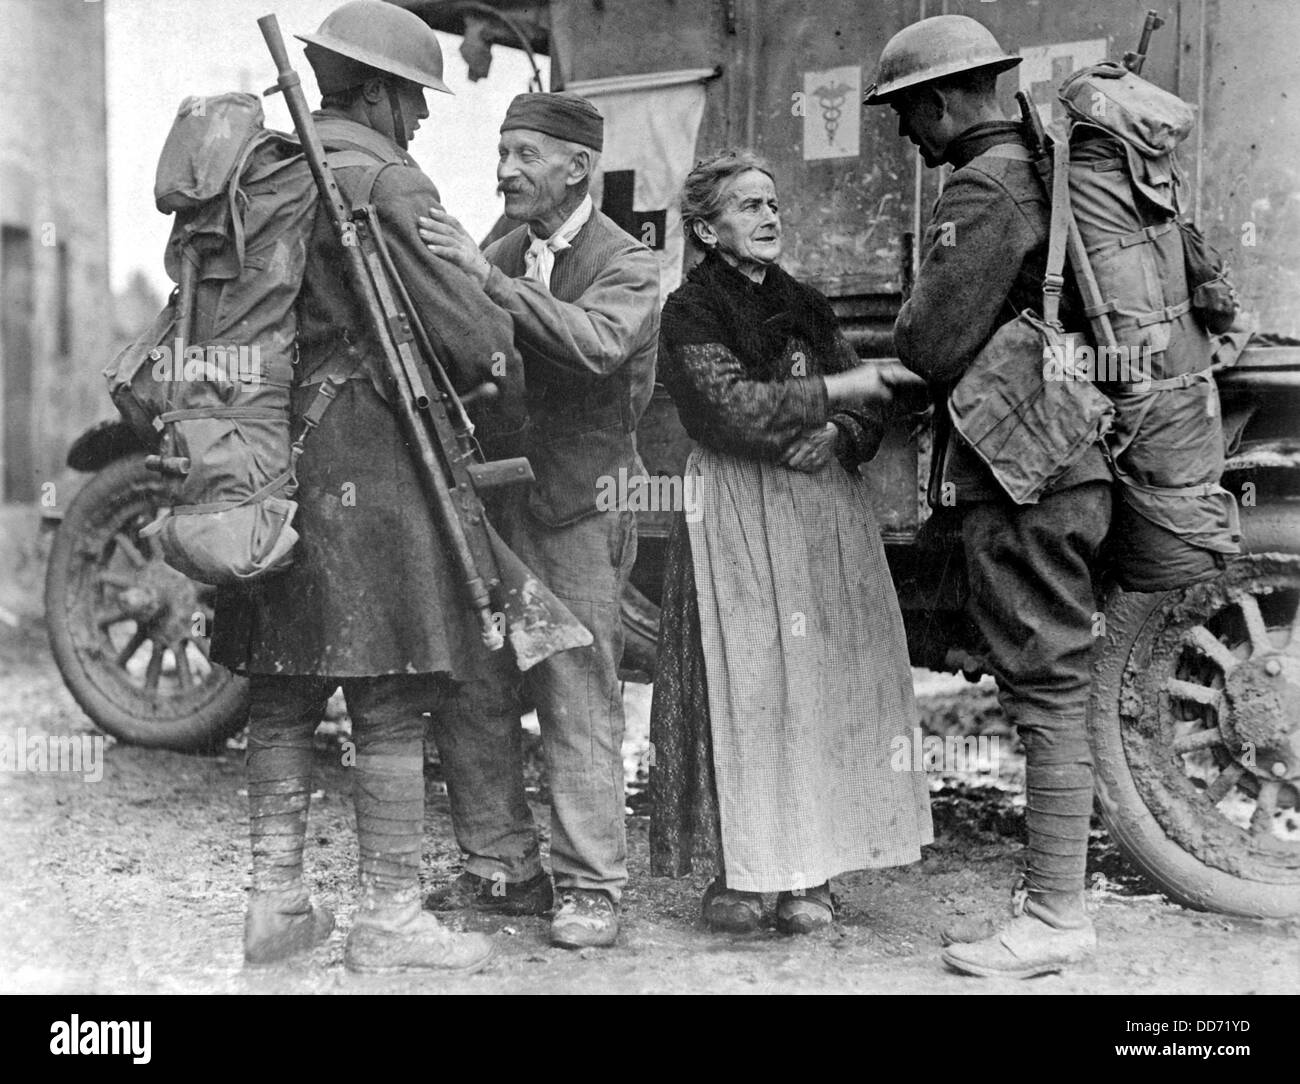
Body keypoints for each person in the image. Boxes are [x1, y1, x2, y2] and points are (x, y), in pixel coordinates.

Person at [210, 0, 524, 975]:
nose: (423, 117)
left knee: (281, 696)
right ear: (381, 91)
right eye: (415, 97)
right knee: (388, 695)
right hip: (372, 461)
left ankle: (276, 909)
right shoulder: (385, 175)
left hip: (259, 459)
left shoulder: (258, 170)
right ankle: (388, 916)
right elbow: (477, 336)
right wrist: (499, 347)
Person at [865, 14, 1111, 977]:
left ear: (939, 102)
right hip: (1064, 464)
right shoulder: (1041, 173)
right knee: (1057, 681)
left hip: (1024, 478)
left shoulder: (987, 185)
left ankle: (1055, 917)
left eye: (906, 116)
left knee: (1048, 687)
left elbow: (927, 344)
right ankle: (1050, 901)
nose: (904, 138)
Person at [648, 149, 933, 934]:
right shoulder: (690, 310)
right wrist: (836, 394)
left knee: (819, 689)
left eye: (772, 204)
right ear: (707, 229)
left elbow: (869, 405)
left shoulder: (805, 302)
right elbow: (730, 409)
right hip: (736, 513)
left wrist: (840, 433)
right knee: (745, 687)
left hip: (816, 514)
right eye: (748, 206)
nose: (770, 217)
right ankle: (742, 876)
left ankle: (811, 875)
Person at [415, 92, 660, 949]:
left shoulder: (629, 263)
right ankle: (502, 865)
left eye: (524, 155)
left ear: (578, 168)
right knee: (475, 680)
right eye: (501, 152)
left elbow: (595, 344)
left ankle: (591, 885)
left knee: (575, 688)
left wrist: (486, 283)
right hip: (497, 503)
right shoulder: (503, 244)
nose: (505, 170)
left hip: (580, 507)